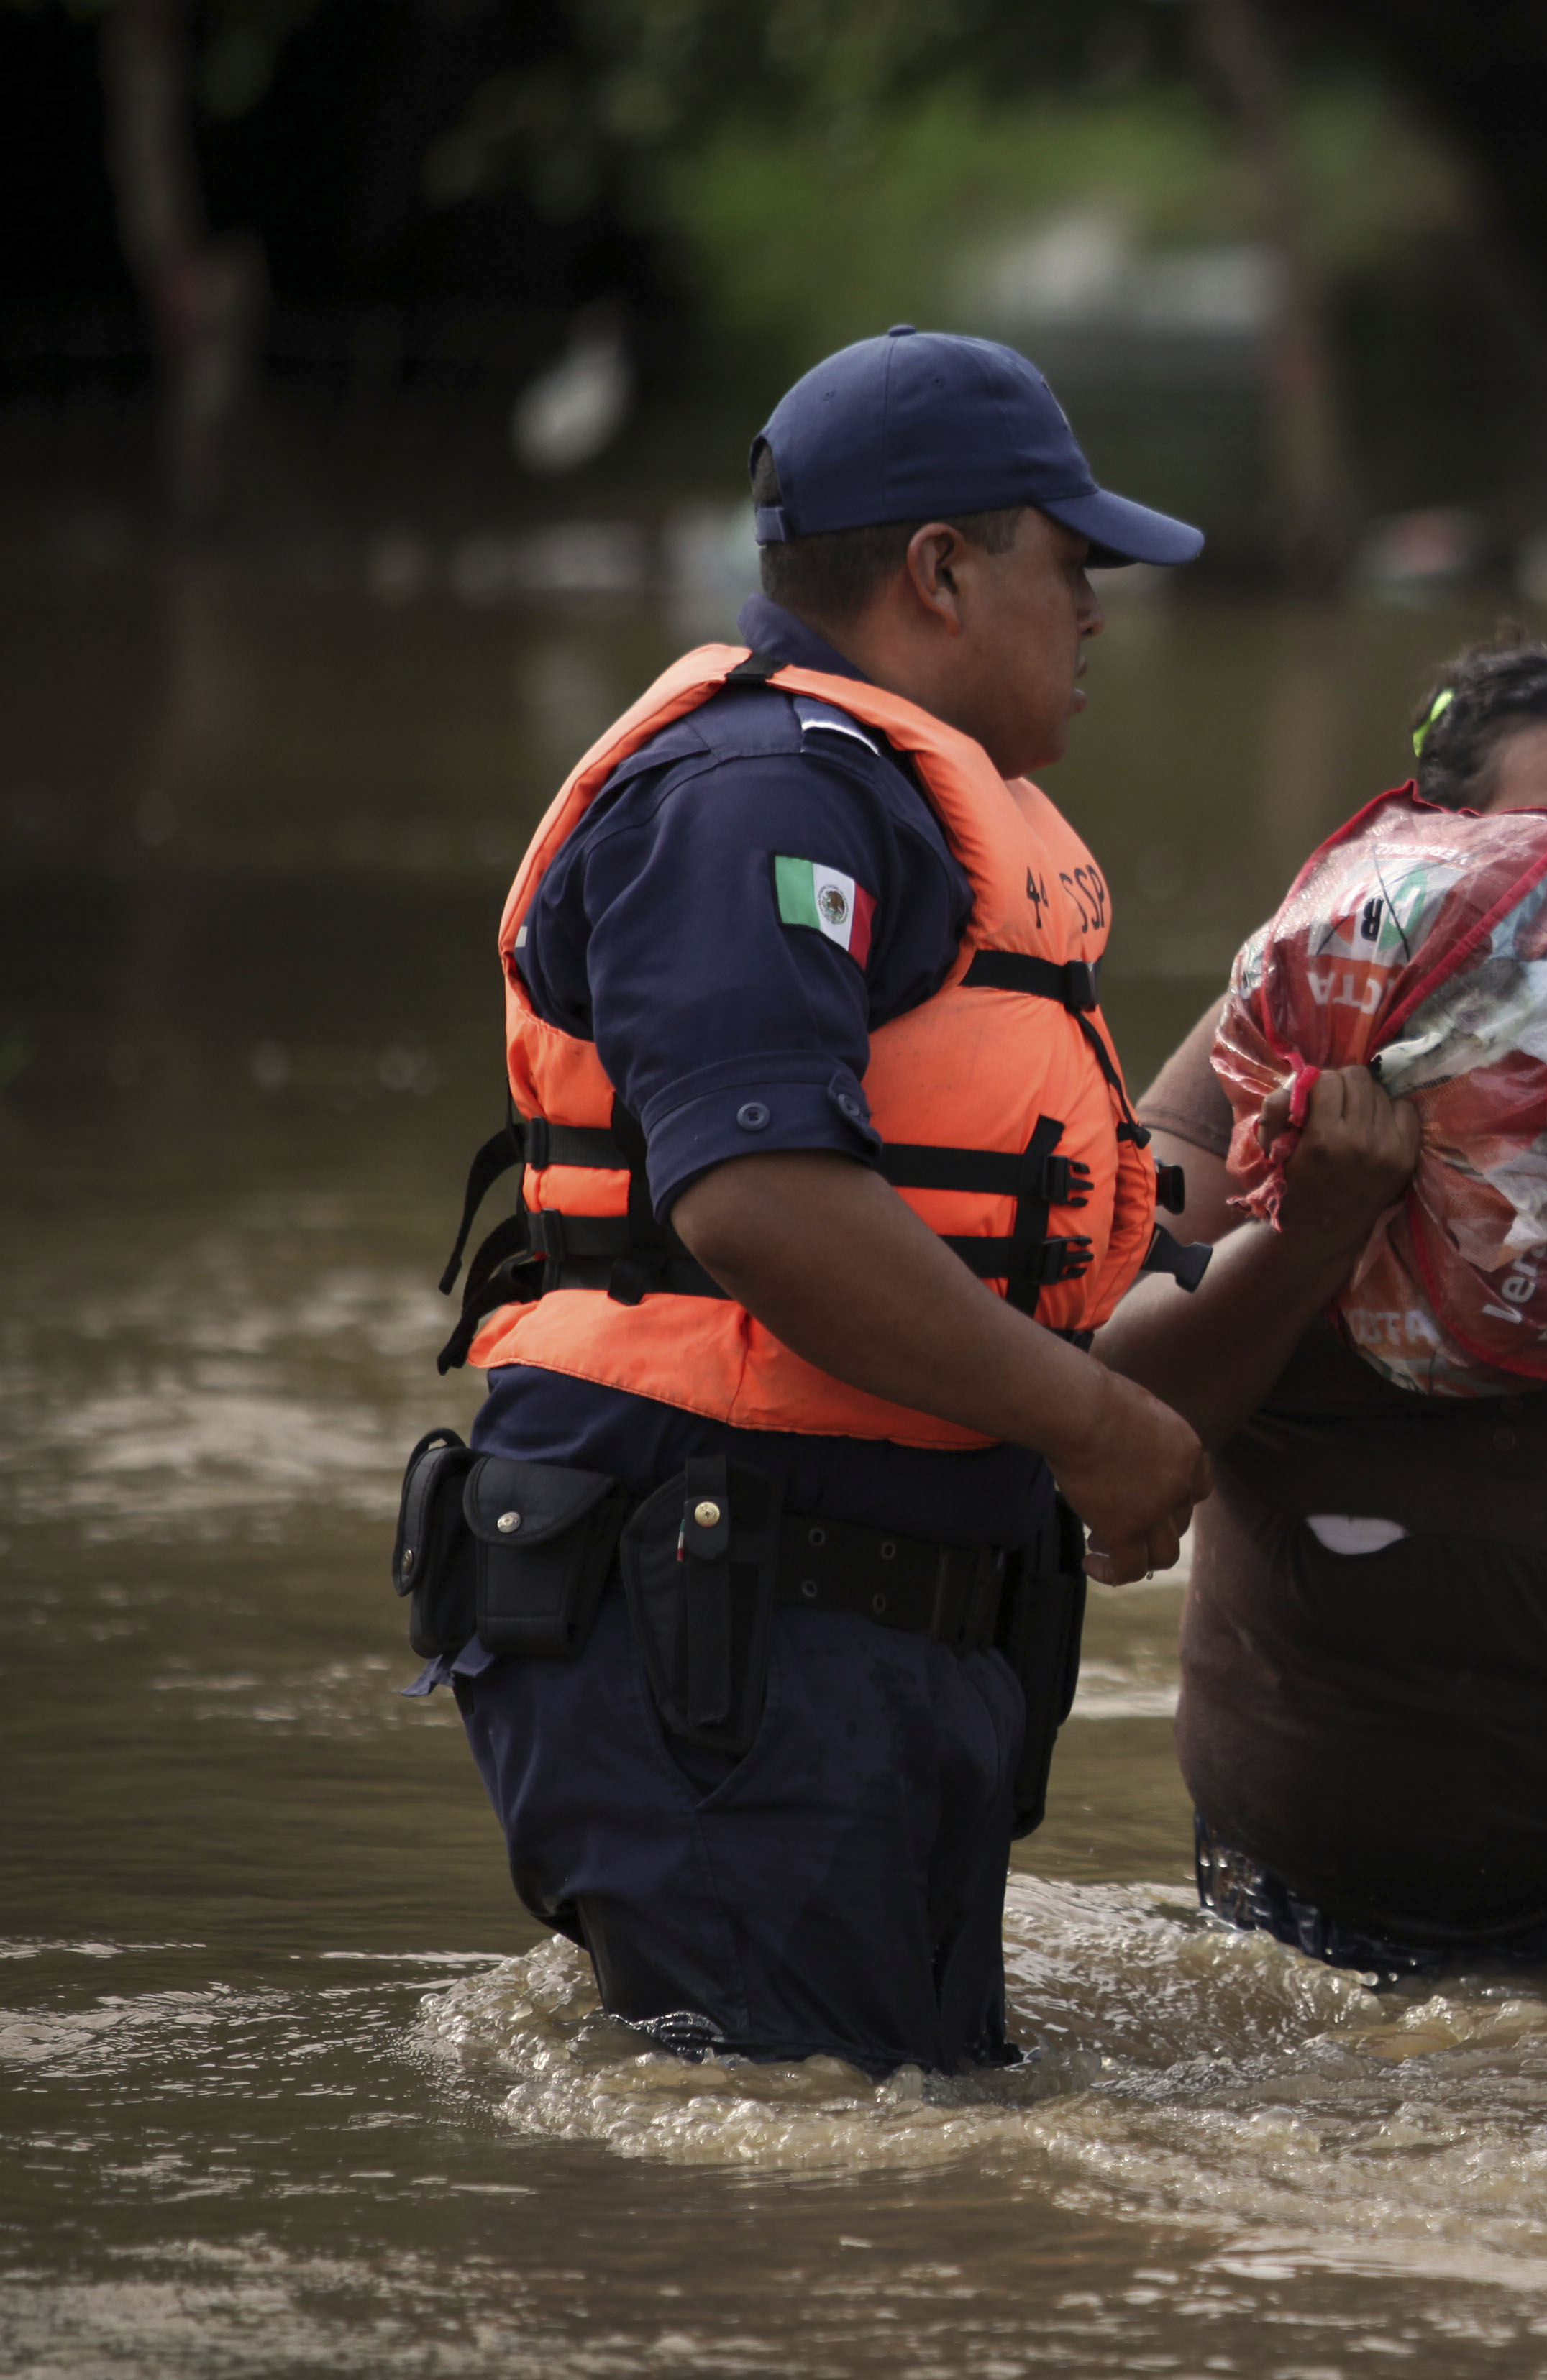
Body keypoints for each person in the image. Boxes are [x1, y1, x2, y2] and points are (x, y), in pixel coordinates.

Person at [407, 326, 1218, 2076]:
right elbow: (760, 1200)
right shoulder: (757, 793)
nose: (1095, 613)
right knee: (791, 2237)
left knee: (891, 2173)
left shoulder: (885, 803)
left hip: (843, 1619)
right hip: (731, 1617)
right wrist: (1091, 1424)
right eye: (1069, 566)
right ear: (939, 571)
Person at [1096, 644, 1547, 1974]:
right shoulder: (1266, 1042)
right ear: (1428, 855)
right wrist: (1311, 1227)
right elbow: (1116, 1418)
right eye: (1545, 842)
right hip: (1293, 1898)